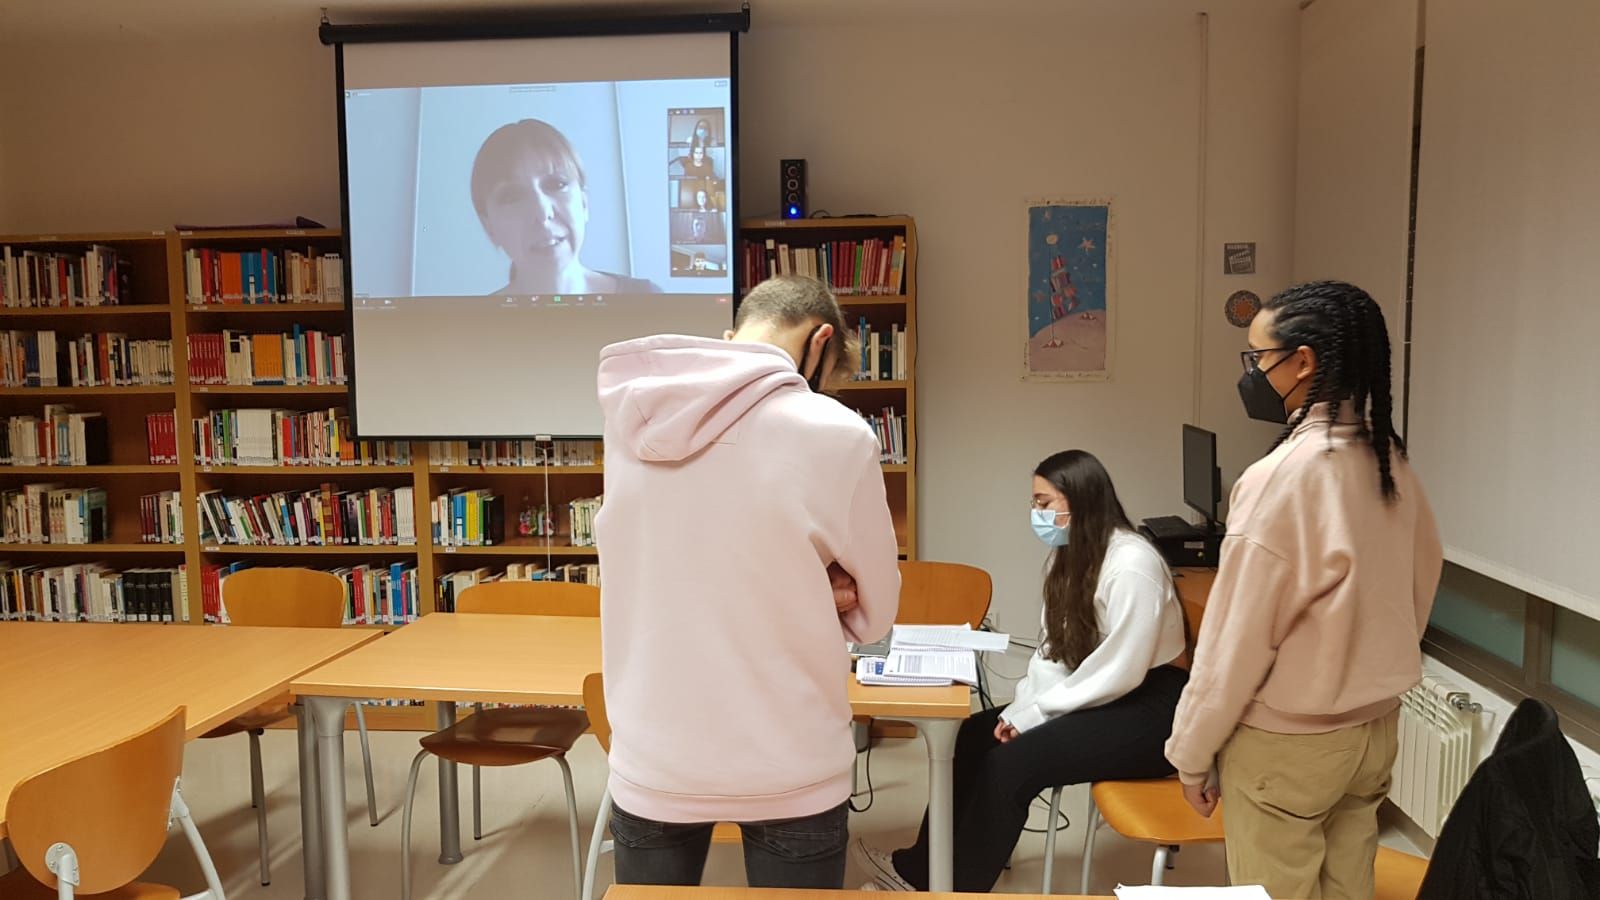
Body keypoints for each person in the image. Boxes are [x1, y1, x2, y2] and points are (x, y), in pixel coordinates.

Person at [594, 275, 901, 889]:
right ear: (820, 340)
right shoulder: (836, 431)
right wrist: (810, 584)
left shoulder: (635, 418)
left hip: (656, 752)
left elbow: (647, 558)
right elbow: (876, 613)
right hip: (792, 754)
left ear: (733, 336)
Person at [1165, 280, 1443, 900]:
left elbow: (1233, 647)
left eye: (1257, 357)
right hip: (1373, 733)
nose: (1250, 374)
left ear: (1303, 362)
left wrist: (1191, 754)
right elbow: (1419, 586)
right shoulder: (1389, 463)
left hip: (1289, 747)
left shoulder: (1280, 477)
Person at [855, 450, 1190, 893]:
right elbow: (1053, 653)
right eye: (1034, 502)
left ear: (1081, 500)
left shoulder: (1133, 564)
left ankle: (960, 890)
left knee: (1012, 765)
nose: (1036, 513)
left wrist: (1037, 716)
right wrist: (1021, 711)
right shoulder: (1066, 557)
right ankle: (919, 872)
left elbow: (1119, 670)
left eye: (1044, 503)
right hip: (1102, 690)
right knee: (971, 737)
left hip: (1155, 709)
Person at [470, 119, 658, 295]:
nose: (542, 212)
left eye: (556, 184)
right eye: (512, 196)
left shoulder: (646, 300)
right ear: (489, 227)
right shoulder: (473, 318)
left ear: (584, 203)